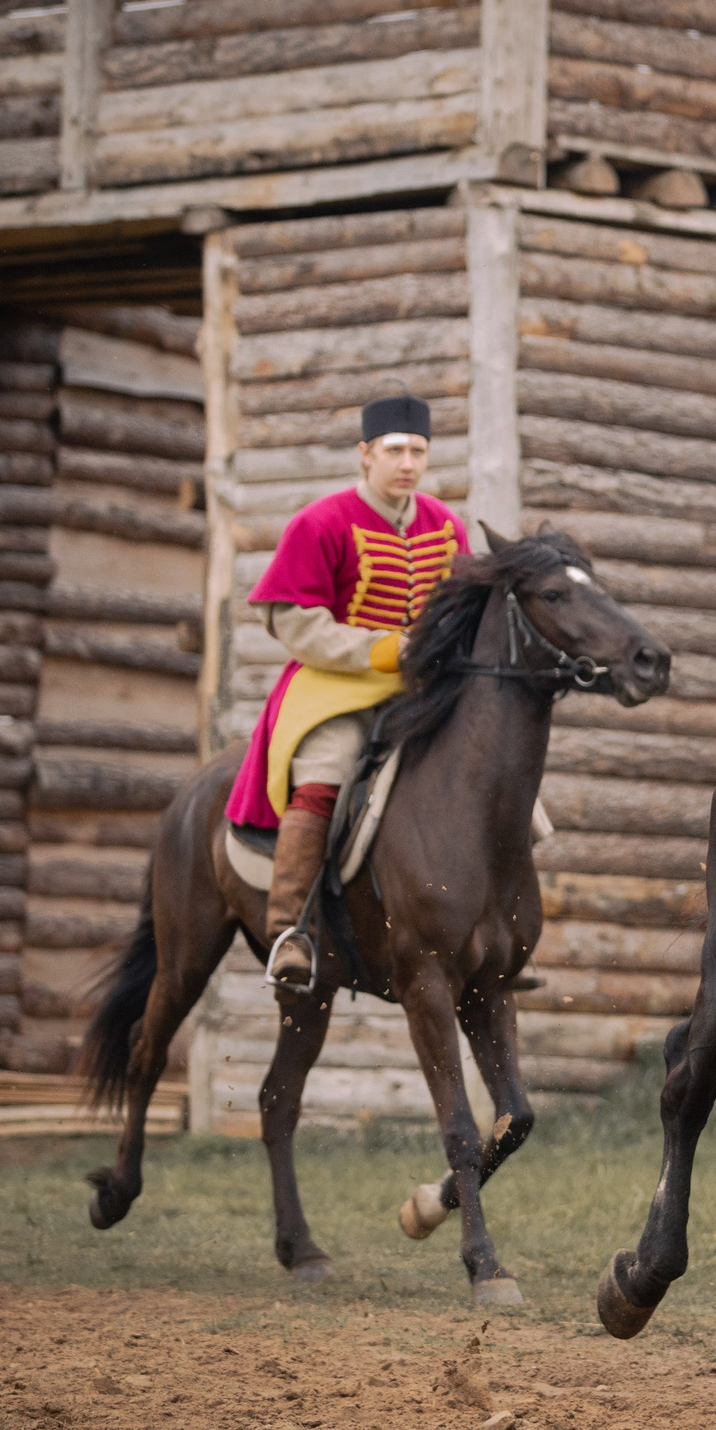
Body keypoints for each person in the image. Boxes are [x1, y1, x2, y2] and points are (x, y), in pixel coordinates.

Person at [223, 393, 464, 989]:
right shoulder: (320, 522)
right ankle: (290, 930)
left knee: (491, 768)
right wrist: (379, 649)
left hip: (421, 690)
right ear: (365, 454)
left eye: (418, 451)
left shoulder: (447, 526)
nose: (407, 463)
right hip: (335, 687)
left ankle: (505, 924)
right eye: (394, 451)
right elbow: (291, 618)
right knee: (323, 776)